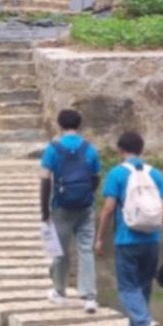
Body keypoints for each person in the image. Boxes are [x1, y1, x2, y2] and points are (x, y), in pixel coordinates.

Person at [94, 131, 163, 326]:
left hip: (126, 240)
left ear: (120, 150)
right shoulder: (156, 174)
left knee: (127, 287)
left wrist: (99, 237)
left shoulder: (117, 174)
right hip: (152, 238)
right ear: (141, 149)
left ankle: (144, 323)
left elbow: (108, 209)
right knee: (144, 285)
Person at [40, 109, 101, 313]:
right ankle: (89, 297)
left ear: (59, 125)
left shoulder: (53, 149)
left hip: (61, 206)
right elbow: (95, 177)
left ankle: (59, 291)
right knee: (85, 250)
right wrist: (88, 196)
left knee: (61, 251)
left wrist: (45, 212)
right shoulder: (89, 149)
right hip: (86, 206)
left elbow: (45, 180)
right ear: (79, 125)